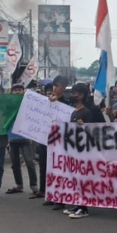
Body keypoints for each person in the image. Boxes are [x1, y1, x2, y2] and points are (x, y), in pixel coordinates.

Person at [63, 82, 105, 219]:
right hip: (75, 150)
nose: (71, 96)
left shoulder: (87, 112)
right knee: (76, 178)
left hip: (85, 151)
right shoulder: (74, 112)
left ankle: (84, 207)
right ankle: (78, 204)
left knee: (83, 179)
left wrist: (85, 126)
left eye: (74, 93)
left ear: (81, 95)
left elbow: (92, 131)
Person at [41, 75, 69, 209]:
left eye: (57, 86)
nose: (54, 88)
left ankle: (60, 199)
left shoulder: (67, 102)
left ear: (63, 88)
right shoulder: (47, 100)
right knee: (47, 169)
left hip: (61, 141)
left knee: (60, 170)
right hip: (47, 140)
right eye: (54, 86)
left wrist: (57, 102)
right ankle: (50, 195)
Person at [6, 83, 39, 197]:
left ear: (23, 91)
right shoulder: (8, 104)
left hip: (25, 138)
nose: (17, 92)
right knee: (15, 163)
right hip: (12, 137)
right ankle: (19, 185)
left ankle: (34, 186)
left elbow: (33, 119)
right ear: (12, 92)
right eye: (15, 90)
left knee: (30, 162)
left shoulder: (28, 104)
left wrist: (33, 135)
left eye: (19, 90)